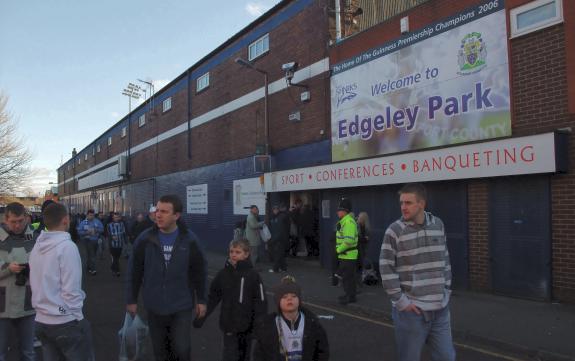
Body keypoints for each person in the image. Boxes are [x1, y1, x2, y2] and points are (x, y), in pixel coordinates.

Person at [380, 183, 455, 361]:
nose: (403, 207)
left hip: (440, 310)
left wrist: (446, 288)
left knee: (447, 357)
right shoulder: (394, 231)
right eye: (401, 202)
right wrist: (400, 302)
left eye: (408, 202)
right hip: (412, 312)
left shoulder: (438, 224)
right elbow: (385, 267)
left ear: (421, 204)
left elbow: (445, 259)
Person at [127, 194, 207, 361]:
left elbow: (199, 272)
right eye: (157, 210)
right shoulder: (145, 239)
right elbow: (134, 271)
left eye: (164, 211)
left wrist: (201, 300)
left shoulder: (190, 240)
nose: (158, 215)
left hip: (181, 305)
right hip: (154, 305)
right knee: (160, 351)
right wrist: (131, 299)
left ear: (176, 216)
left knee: (181, 349)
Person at [29, 202, 93, 361]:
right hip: (65, 322)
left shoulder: (37, 246)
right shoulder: (67, 247)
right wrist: (78, 317)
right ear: (65, 220)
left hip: (41, 321)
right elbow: (71, 289)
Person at [195, 239, 267, 361]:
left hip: (247, 328)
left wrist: (259, 327)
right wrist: (202, 317)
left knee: (244, 357)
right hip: (229, 326)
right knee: (229, 356)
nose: (233, 254)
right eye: (231, 251)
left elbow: (261, 303)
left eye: (238, 252)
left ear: (246, 254)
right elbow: (213, 297)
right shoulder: (223, 274)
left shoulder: (253, 276)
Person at [253, 276, 329, 361]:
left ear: (299, 300)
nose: (289, 299)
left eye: (294, 296)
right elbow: (259, 355)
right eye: (284, 297)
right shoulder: (267, 326)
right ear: (278, 301)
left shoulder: (312, 324)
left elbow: (322, 352)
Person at [0, 202, 36, 361]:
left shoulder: (36, 237)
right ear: (5, 220)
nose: (17, 225)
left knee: (28, 352)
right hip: (3, 304)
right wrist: (9, 269)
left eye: (21, 220)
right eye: (13, 221)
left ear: (26, 219)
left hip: (28, 302)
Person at [335, 198, 358, 305]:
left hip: (348, 255)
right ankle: (349, 295)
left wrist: (338, 250)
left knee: (348, 278)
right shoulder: (344, 221)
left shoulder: (348, 222)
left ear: (345, 211)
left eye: (339, 210)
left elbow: (348, 240)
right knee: (347, 277)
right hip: (346, 255)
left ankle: (350, 297)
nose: (337, 212)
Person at [77, 209, 104, 275]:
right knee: (92, 255)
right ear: (87, 215)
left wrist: (96, 230)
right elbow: (79, 231)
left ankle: (88, 266)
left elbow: (102, 229)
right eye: (90, 215)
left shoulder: (97, 222)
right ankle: (93, 269)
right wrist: (86, 232)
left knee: (92, 254)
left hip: (95, 240)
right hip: (87, 240)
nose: (91, 216)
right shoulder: (83, 222)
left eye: (92, 215)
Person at [268, 204, 290, 273]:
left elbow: (281, 230)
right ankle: (283, 268)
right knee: (280, 254)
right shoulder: (272, 217)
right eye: (274, 209)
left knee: (277, 254)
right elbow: (271, 228)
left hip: (280, 239)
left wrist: (274, 239)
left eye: (276, 209)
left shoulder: (281, 217)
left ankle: (275, 269)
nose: (275, 210)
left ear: (278, 210)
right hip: (275, 238)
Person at [107, 212, 128, 277]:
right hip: (112, 244)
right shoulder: (109, 225)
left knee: (117, 257)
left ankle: (113, 268)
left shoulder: (122, 224)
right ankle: (117, 271)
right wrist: (111, 238)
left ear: (119, 217)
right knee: (115, 257)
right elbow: (108, 234)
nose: (116, 218)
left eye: (117, 217)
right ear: (113, 217)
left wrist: (126, 241)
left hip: (120, 244)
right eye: (115, 217)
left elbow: (124, 233)